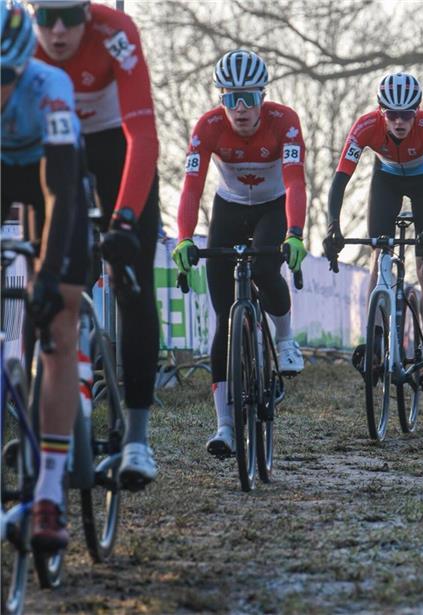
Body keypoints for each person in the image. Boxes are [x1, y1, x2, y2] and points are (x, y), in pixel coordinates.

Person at [31, 0, 160, 488]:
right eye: (46, 18)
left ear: (88, 12)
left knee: (135, 286)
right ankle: (40, 412)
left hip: (115, 146)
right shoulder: (19, 43)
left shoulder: (117, 32)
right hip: (50, 149)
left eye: (69, 16)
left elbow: (143, 134)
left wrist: (125, 218)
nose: (58, 30)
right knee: (43, 278)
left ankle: (138, 440)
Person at [172, 49, 307, 457]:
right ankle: (225, 426)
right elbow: (192, 187)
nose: (242, 108)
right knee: (223, 323)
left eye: (250, 97)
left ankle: (284, 341)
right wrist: (184, 237)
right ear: (221, 99)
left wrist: (296, 233)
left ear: (263, 96)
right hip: (228, 207)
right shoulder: (207, 127)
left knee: (267, 267)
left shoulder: (284, 121)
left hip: (272, 205)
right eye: (232, 98)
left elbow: (296, 181)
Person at [1, 0, 88, 550]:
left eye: (6, 77)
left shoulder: (49, 84)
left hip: (49, 178)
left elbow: (59, 191)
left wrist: (49, 276)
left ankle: (50, 495)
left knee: (58, 321)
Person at [323, 72, 423, 391]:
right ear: (381, 111)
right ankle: (375, 345)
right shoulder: (366, 126)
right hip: (387, 180)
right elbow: (340, 180)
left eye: (406, 114)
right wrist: (332, 226)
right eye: (392, 114)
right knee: (379, 256)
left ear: (417, 111)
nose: (399, 122)